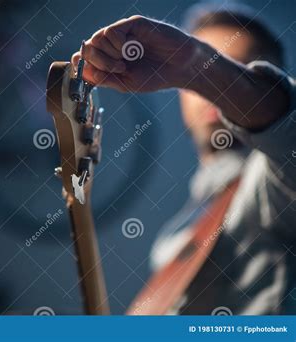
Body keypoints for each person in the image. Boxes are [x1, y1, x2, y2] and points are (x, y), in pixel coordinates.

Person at [72, 3, 296, 314]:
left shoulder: (274, 184)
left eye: (236, 68)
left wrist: (195, 65)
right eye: (196, 81)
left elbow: (287, 133)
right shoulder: (183, 228)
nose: (212, 92)